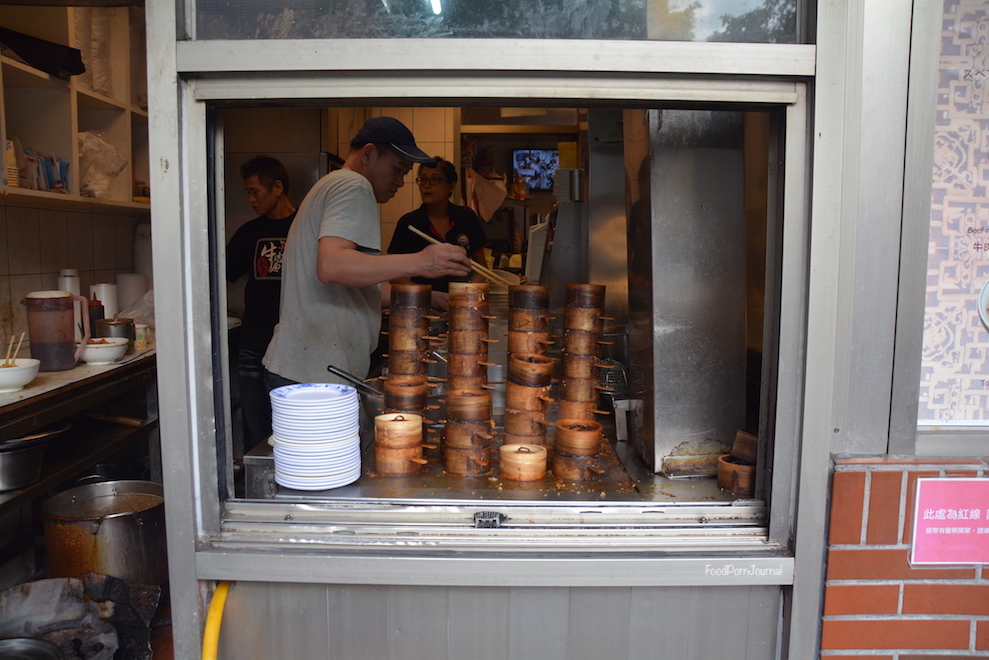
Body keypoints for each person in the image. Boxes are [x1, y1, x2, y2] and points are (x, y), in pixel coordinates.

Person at [263, 116, 471, 387]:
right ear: (369, 153)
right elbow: (332, 266)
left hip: (303, 369)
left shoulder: (332, 183)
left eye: (406, 173)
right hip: (314, 375)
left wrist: (430, 297)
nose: (400, 181)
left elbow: (356, 286)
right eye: (398, 169)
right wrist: (421, 262)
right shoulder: (353, 185)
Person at [226, 155, 297, 449]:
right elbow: (221, 276)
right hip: (253, 343)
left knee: (293, 428)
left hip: (295, 346)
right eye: (248, 193)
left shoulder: (304, 228)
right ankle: (257, 488)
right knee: (256, 429)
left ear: (277, 187)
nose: (252, 199)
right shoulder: (249, 233)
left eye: (256, 191)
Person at [387, 157, 489, 307]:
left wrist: (464, 294)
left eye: (435, 179)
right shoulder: (409, 223)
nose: (427, 185)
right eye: (423, 180)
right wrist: (425, 295)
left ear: (451, 186)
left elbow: (482, 269)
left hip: (462, 303)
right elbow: (394, 274)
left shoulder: (466, 217)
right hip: (421, 304)